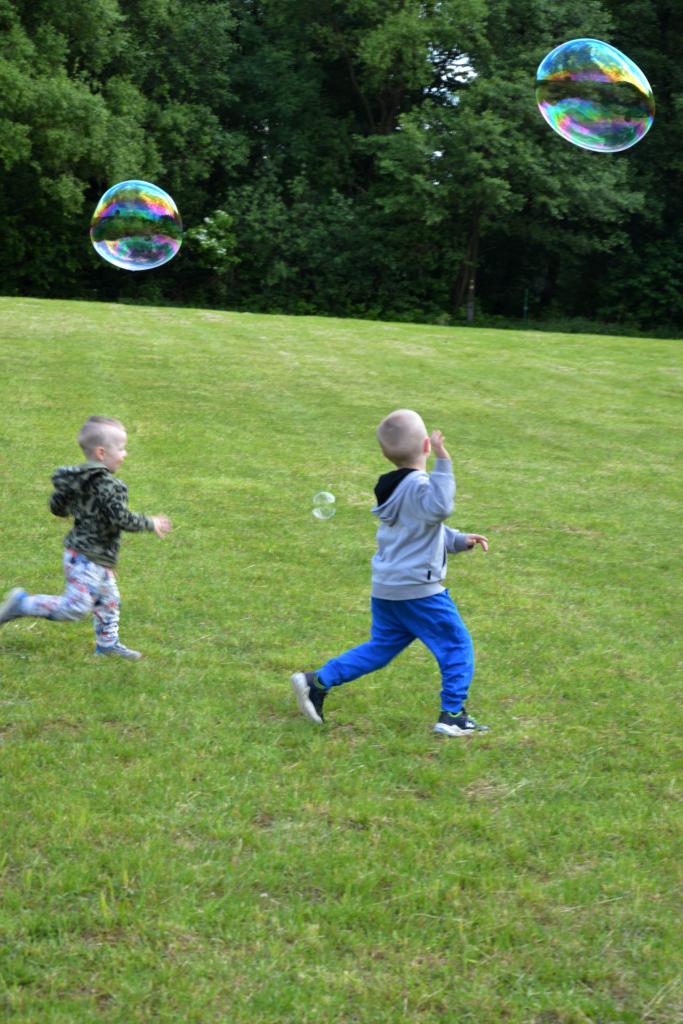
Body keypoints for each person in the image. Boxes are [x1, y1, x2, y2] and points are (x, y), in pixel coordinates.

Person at [292, 409, 489, 736]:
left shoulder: (394, 488)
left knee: (381, 649)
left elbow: (422, 528)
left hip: (387, 588)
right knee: (457, 646)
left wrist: (457, 540)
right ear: (426, 446)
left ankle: (317, 681)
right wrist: (444, 461)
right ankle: (453, 714)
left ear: (386, 454)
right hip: (418, 590)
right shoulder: (420, 485)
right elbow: (440, 508)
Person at [0, 416, 172, 659]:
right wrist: (150, 522)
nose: (124, 454)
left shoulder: (77, 481)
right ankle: (22, 604)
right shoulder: (110, 486)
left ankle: (107, 645)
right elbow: (121, 519)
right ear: (102, 453)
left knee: (109, 600)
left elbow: (57, 509)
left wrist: (106, 561)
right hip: (85, 557)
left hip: (91, 555)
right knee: (75, 607)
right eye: (121, 448)